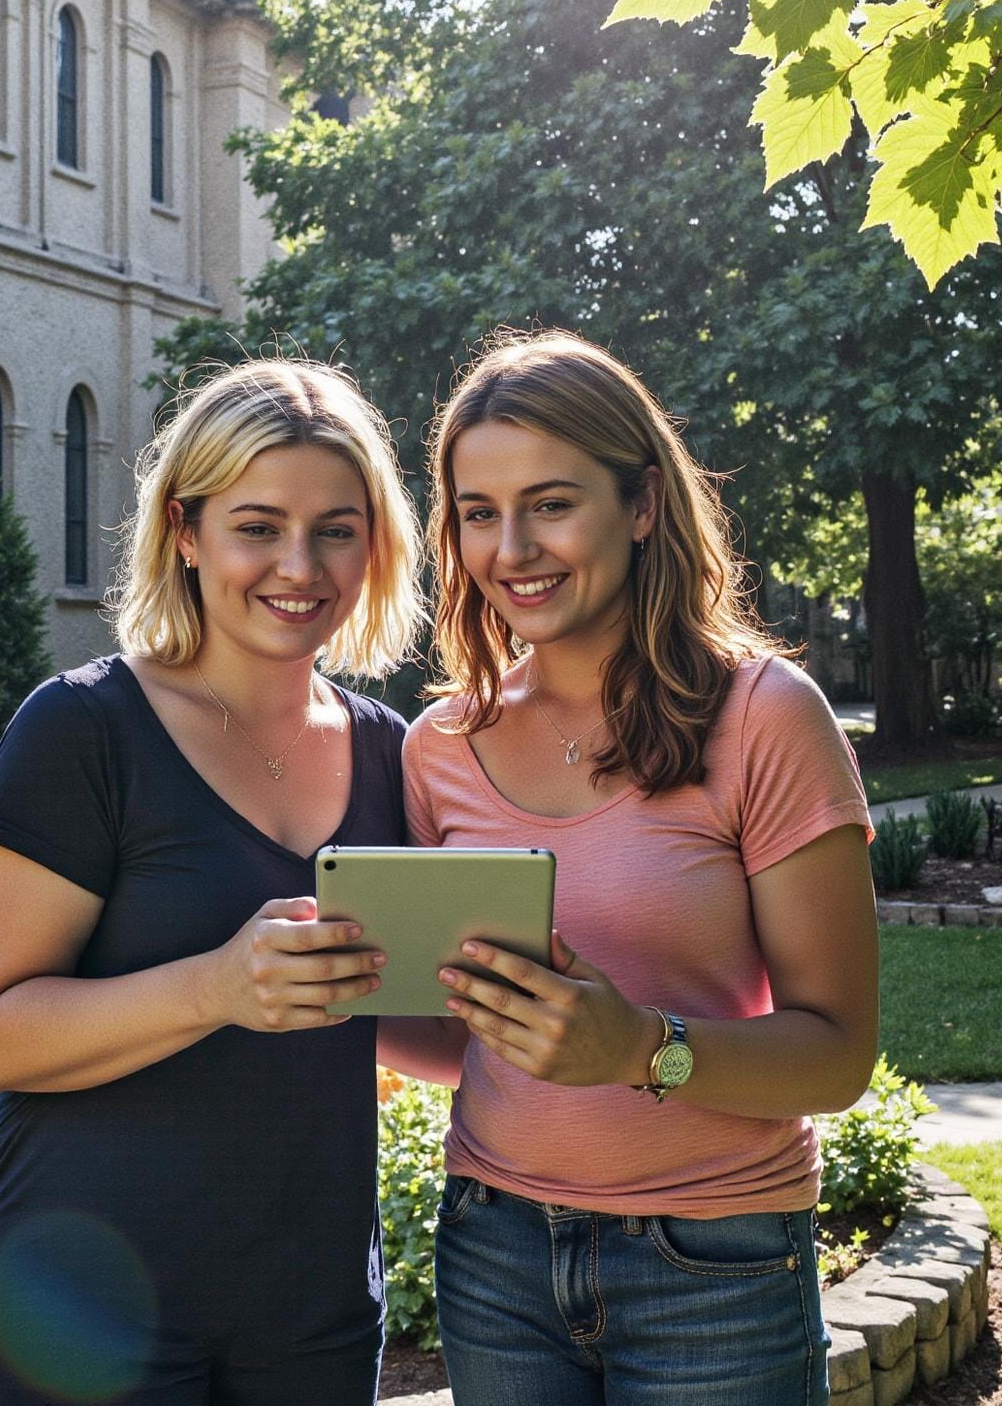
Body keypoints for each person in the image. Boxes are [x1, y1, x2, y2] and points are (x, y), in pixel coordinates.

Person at [404, 330, 877, 1406]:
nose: (509, 546)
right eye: (478, 511)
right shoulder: (437, 743)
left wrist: (640, 1048)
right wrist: (327, 984)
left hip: (713, 1263)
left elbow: (836, 1053)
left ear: (645, 503)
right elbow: (462, 1040)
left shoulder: (764, 716)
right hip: (495, 1252)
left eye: (550, 501)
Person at [0, 360, 424, 1404]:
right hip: (71, 1308)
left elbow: (397, 1016)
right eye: (257, 524)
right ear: (184, 529)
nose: (299, 563)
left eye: (336, 528)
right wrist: (213, 986)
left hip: (313, 1307)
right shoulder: (80, 728)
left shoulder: (394, 754)